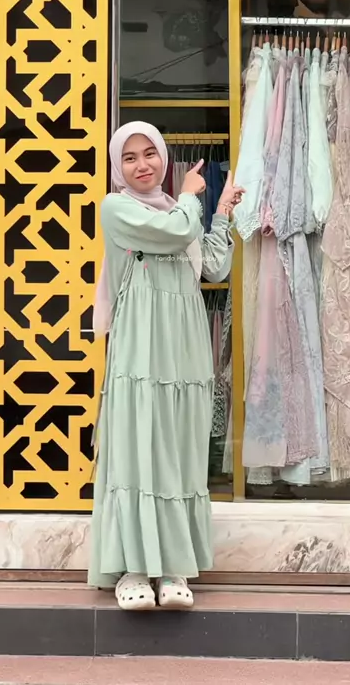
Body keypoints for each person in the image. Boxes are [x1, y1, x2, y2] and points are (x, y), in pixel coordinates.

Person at [89, 121, 243, 610]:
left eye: (149, 153)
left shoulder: (181, 210)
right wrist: (194, 196)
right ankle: (133, 568)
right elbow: (175, 233)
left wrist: (221, 211)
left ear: (163, 157)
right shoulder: (117, 208)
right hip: (140, 342)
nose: (142, 165)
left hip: (185, 340)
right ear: (118, 166)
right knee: (137, 443)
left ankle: (174, 567)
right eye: (129, 157)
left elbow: (213, 266)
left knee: (177, 445)